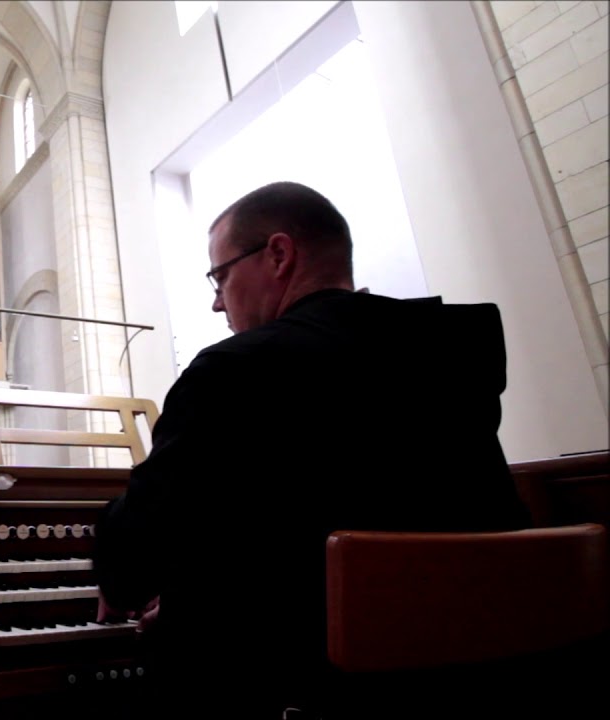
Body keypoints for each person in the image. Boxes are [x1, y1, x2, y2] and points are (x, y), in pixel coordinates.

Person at [92, 181, 529, 715]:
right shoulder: (454, 347)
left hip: (316, 693)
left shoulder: (234, 370)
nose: (216, 301)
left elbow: (133, 562)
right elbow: (370, 516)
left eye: (220, 276)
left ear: (279, 254)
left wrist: (164, 588)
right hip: (482, 670)